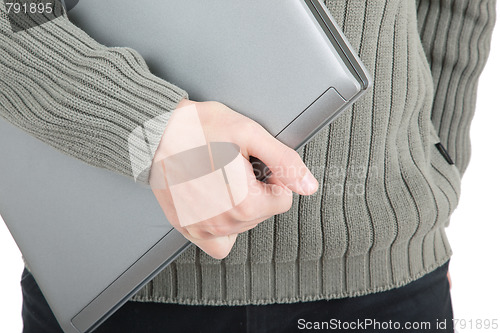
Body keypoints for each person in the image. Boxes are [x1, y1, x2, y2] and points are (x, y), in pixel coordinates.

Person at [0, 0, 496, 332]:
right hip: (116, 277)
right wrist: (143, 126)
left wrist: (432, 185)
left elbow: (456, 11)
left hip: (391, 275)